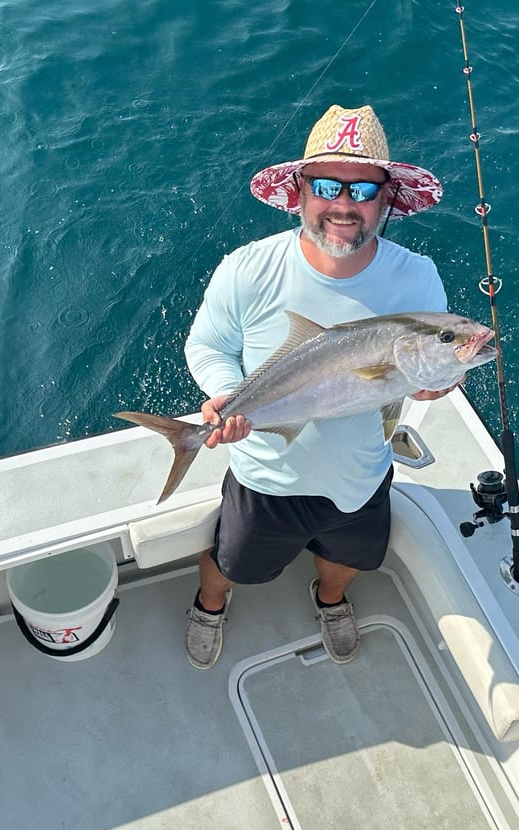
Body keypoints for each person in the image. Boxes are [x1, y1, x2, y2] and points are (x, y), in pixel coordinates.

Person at [183, 103, 456, 671]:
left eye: (363, 191)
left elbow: (424, 368)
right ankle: (210, 604)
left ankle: (329, 599)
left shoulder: (417, 277)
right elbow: (205, 346)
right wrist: (226, 394)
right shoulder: (248, 268)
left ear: (386, 200)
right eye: (328, 185)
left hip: (359, 477)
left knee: (350, 558)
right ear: (301, 191)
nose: (344, 206)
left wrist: (435, 385)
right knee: (233, 565)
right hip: (264, 477)